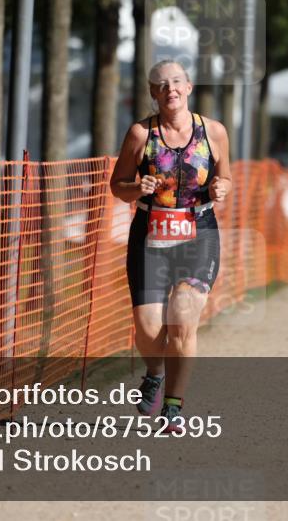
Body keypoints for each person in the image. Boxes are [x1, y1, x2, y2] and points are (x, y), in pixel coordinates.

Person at [109, 60, 231, 431]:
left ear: (189, 87)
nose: (170, 89)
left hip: (199, 233)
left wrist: (222, 188)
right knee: (147, 329)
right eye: (162, 85)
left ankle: (174, 406)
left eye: (176, 82)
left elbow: (225, 175)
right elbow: (117, 185)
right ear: (153, 93)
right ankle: (155, 372)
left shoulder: (213, 132)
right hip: (150, 233)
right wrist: (136, 188)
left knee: (181, 319)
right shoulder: (140, 135)